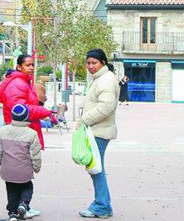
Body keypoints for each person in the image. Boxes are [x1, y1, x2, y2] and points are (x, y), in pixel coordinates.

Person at [79, 49, 119, 219]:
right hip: (97, 130)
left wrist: (84, 120)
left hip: (99, 131)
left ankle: (102, 206)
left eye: (94, 63)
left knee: (96, 169)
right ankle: (103, 205)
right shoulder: (100, 78)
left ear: (103, 62)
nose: (90, 66)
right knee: (95, 168)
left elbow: (106, 106)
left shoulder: (106, 80)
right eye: (88, 63)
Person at [0, 54, 57, 150]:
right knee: (21, 162)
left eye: (33, 65)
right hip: (19, 134)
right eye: (28, 65)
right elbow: (20, 110)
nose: (31, 68)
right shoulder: (17, 83)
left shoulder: (25, 82)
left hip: (24, 132)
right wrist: (43, 111)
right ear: (19, 67)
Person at [0, 104, 41, 221]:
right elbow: (35, 154)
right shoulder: (32, 134)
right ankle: (23, 204)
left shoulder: (2, 131)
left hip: (8, 170)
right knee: (27, 187)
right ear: (26, 117)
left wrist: (0, 162)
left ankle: (13, 213)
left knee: (11, 190)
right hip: (24, 170)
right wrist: (36, 167)